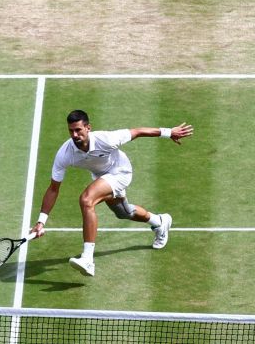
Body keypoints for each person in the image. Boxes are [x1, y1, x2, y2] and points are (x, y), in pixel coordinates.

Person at [31, 110, 194, 277]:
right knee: (124, 212)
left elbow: (137, 132)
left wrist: (169, 132)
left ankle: (87, 259)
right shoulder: (65, 154)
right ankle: (160, 221)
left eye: (78, 130)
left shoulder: (106, 139)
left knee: (86, 200)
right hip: (102, 177)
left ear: (88, 128)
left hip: (121, 173)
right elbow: (53, 188)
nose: (74, 134)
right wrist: (41, 222)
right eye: (71, 131)